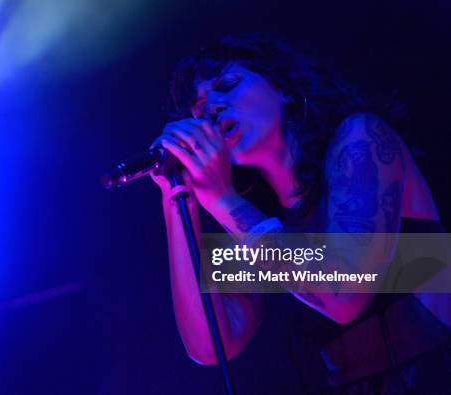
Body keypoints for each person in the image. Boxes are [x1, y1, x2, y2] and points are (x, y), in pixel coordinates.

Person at [150, 34, 451, 393]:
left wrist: (221, 199)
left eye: (227, 86)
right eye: (198, 111)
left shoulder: (361, 137)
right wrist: (176, 198)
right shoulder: (247, 216)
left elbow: (344, 296)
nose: (212, 108)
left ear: (284, 88)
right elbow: (213, 345)